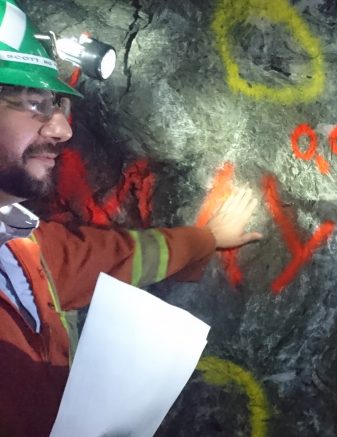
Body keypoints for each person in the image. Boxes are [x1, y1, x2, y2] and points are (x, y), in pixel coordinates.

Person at [0, 1, 262, 435]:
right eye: (35, 102)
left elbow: (113, 257)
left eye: (60, 104)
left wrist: (205, 240)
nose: (63, 130)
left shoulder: (23, 244)